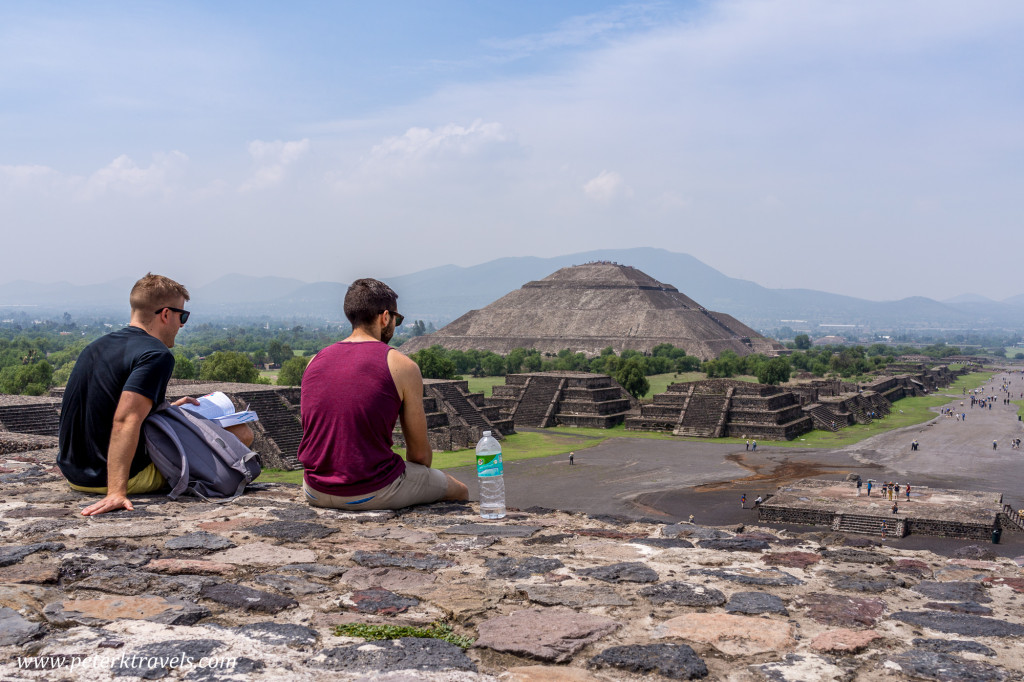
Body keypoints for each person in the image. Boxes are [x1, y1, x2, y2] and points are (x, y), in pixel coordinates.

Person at [57, 273, 254, 516]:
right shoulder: (156, 354)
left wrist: (164, 406)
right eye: (182, 316)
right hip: (117, 478)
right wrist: (116, 492)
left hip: (75, 473)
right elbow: (125, 418)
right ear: (165, 314)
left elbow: (104, 404)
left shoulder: (96, 346)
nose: (182, 324)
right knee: (241, 433)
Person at [298, 278, 468, 511]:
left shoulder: (314, 361)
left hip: (314, 489)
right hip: (372, 490)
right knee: (460, 491)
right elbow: (419, 455)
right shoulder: (400, 365)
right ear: (385, 317)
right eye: (396, 319)